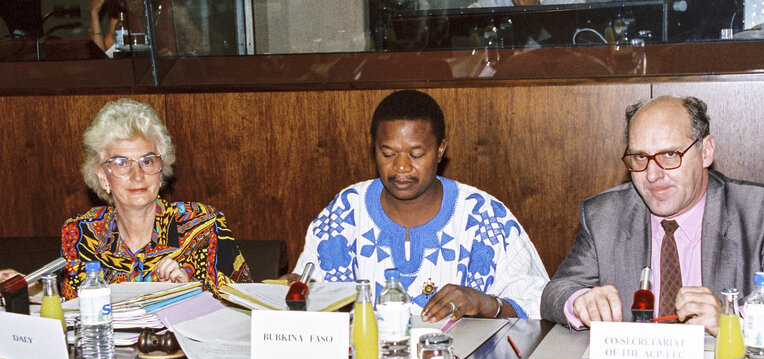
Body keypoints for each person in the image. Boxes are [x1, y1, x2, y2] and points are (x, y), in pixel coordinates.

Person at [291, 89, 549, 322]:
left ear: (440, 150)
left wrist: (487, 304)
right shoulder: (347, 210)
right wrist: (286, 290)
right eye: (388, 154)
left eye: (416, 154)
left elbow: (541, 307)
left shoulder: (483, 215)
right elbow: (304, 294)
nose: (401, 167)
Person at [541, 95, 764, 336]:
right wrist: (580, 301)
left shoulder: (757, 213)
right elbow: (554, 293)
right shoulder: (604, 216)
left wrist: (731, 322)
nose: (652, 175)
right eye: (640, 157)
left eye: (669, 155)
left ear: (706, 152)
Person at [61, 98, 251, 299]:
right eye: (121, 163)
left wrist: (190, 293)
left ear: (160, 171)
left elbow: (244, 310)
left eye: (147, 161)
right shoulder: (80, 233)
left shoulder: (203, 225)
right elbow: (73, 316)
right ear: (102, 175)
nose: (137, 175)